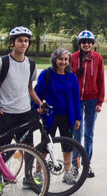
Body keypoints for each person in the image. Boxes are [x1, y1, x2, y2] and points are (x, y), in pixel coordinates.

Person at [0, 26, 44, 196]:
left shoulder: (31, 64)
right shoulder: (2, 62)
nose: (23, 44)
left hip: (25, 112)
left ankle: (28, 178)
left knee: (28, 147)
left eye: (26, 41)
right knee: (2, 150)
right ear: (13, 43)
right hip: (5, 113)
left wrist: (40, 103)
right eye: (20, 41)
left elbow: (30, 89)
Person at [35, 47, 82, 185]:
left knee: (67, 145)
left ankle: (67, 173)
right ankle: (38, 173)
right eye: (60, 59)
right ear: (55, 59)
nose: (63, 62)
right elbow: (37, 94)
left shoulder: (72, 76)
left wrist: (78, 117)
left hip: (67, 116)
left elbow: (76, 98)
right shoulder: (46, 74)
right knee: (45, 145)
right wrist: (38, 108)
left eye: (66, 59)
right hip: (49, 116)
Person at [71, 30, 105, 178]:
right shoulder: (72, 58)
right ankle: (75, 164)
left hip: (92, 99)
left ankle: (87, 163)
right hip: (76, 99)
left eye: (89, 42)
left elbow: (101, 80)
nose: (86, 44)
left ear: (92, 44)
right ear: (80, 44)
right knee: (76, 133)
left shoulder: (97, 58)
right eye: (84, 42)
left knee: (89, 133)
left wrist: (100, 101)